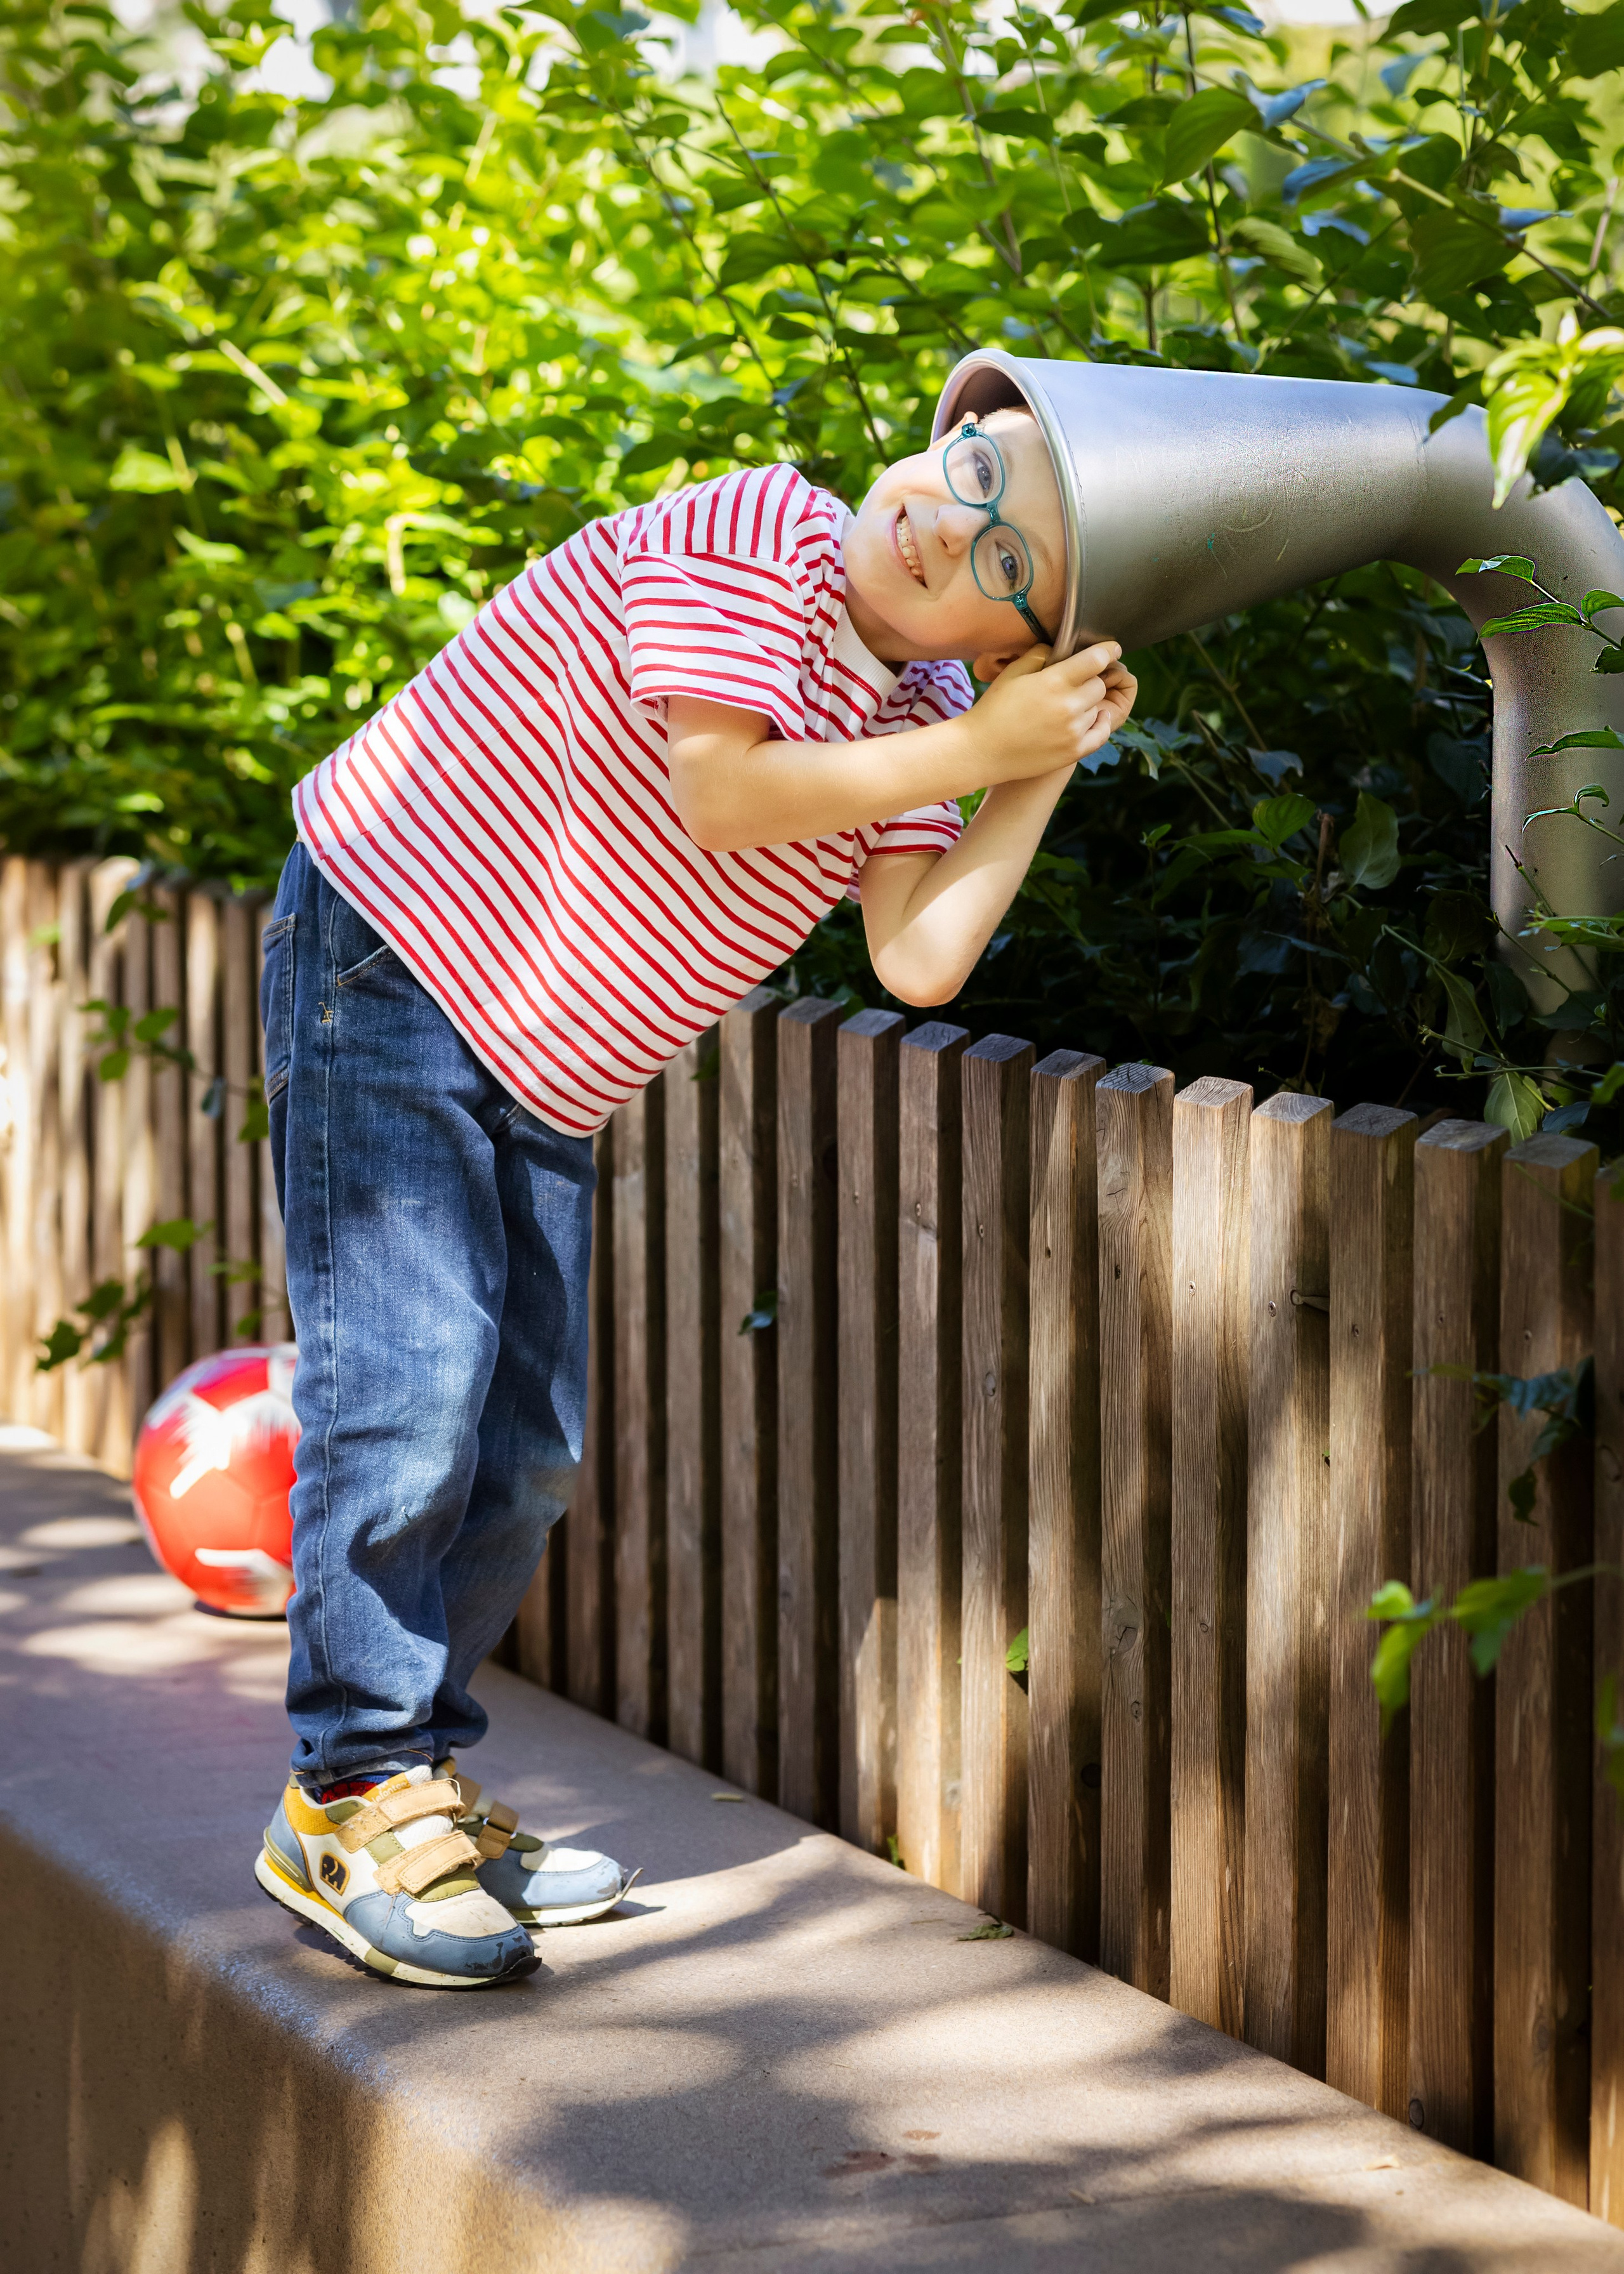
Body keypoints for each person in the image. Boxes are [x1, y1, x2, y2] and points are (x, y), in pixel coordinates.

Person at [254, 405, 1137, 1988]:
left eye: (1001, 557)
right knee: (405, 1396)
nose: (945, 515)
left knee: (525, 1449)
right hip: (390, 949)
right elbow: (723, 791)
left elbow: (918, 955)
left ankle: (417, 1781)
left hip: (540, 1055)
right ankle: (349, 1788)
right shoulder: (759, 532)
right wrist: (975, 743)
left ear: (1011, 648)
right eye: (971, 465)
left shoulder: (930, 711)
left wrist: (1033, 766)